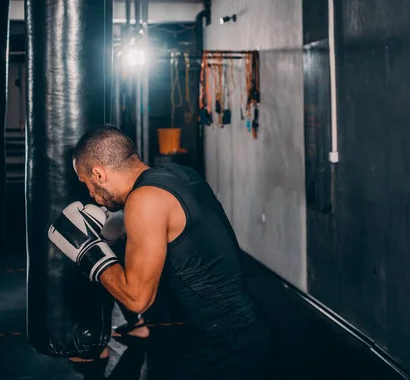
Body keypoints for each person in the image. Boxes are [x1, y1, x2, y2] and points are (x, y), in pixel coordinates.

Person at [48, 125, 276, 379]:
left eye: (87, 183)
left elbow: (137, 299)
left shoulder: (144, 201)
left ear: (99, 174)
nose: (91, 194)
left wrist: (88, 252)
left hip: (224, 345)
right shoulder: (177, 175)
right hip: (240, 330)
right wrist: (118, 227)